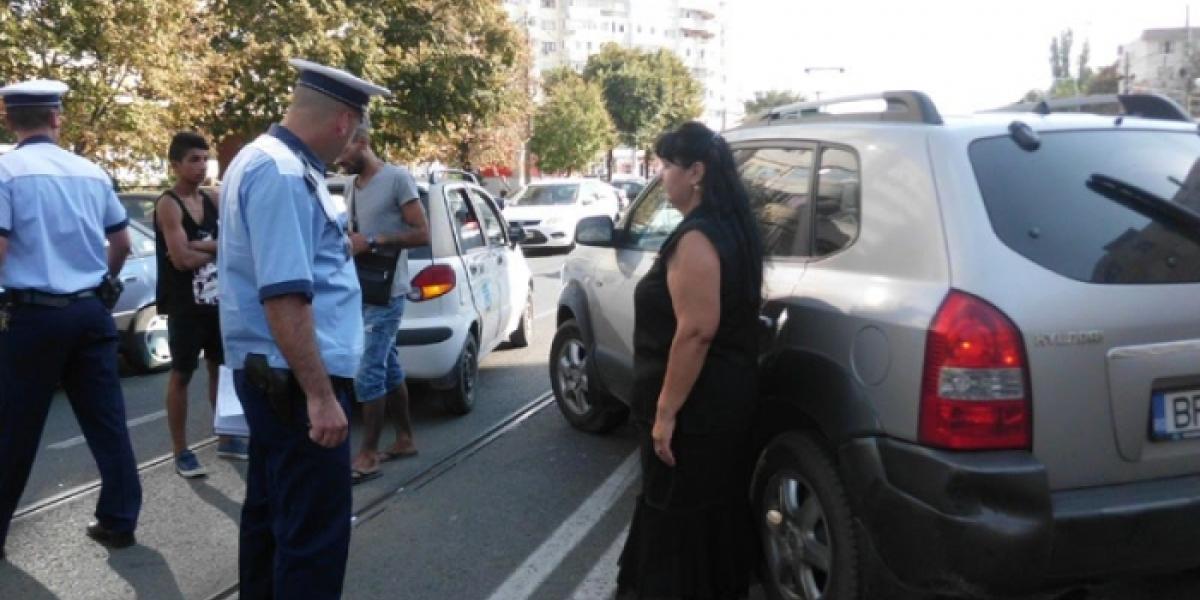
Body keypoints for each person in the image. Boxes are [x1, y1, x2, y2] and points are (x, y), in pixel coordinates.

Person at [218, 59, 389, 598]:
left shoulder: (263, 158)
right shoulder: (284, 173)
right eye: (355, 131)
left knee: (271, 517)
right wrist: (320, 396)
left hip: (275, 373)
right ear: (344, 122)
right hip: (294, 380)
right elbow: (285, 295)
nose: (351, 144)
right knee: (313, 536)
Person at [616, 121, 765, 599]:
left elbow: (697, 331)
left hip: (695, 411)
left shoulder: (697, 238)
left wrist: (664, 414)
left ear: (696, 172)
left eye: (666, 165)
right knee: (712, 516)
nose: (661, 176)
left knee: (678, 521)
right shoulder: (732, 228)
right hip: (724, 401)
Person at [0, 80, 143, 557]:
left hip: (33, 316)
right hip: (89, 312)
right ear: (56, 118)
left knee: (14, 429)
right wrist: (103, 284)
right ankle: (119, 521)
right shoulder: (91, 172)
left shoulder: (6, 171)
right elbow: (121, 243)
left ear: (9, 119)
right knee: (107, 422)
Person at [335, 123, 429, 483]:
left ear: (362, 143)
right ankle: (405, 439)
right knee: (387, 367)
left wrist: (373, 240)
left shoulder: (397, 179)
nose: (339, 160)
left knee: (368, 370)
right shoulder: (351, 185)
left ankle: (368, 455)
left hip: (388, 291)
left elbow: (422, 233)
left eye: (344, 151)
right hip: (362, 289)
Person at [154, 131, 248, 479]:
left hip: (218, 303)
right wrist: (216, 249)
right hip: (185, 306)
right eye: (193, 160)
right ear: (176, 165)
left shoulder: (213, 199)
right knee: (181, 374)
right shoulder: (169, 204)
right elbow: (180, 260)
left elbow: (237, 244)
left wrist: (202, 247)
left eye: (205, 159)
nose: (202, 166)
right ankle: (181, 450)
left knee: (220, 370)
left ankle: (226, 435)